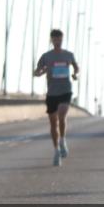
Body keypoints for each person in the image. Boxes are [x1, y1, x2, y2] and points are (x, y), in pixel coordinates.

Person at [33, 29, 79, 166]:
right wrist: (40, 72)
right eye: (55, 39)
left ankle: (62, 139)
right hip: (52, 92)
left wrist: (75, 74)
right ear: (51, 40)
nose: (57, 42)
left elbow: (77, 68)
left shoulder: (69, 55)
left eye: (59, 39)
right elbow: (37, 71)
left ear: (62, 39)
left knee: (61, 116)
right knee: (53, 123)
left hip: (65, 90)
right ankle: (56, 150)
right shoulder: (46, 56)